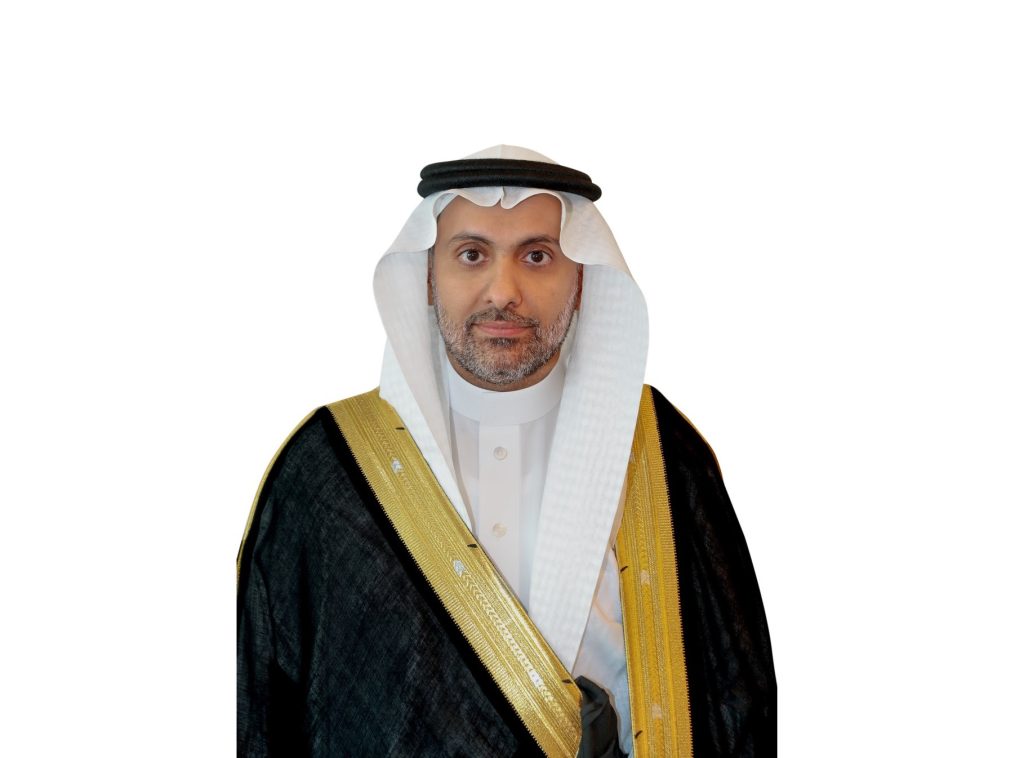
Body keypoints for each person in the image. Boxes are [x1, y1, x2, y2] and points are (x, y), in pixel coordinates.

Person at [237, 146, 776, 757]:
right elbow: (265, 700)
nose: (504, 291)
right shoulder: (329, 469)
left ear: (581, 279)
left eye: (537, 256)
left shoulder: (661, 450)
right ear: (428, 277)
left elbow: (738, 693)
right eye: (472, 255)